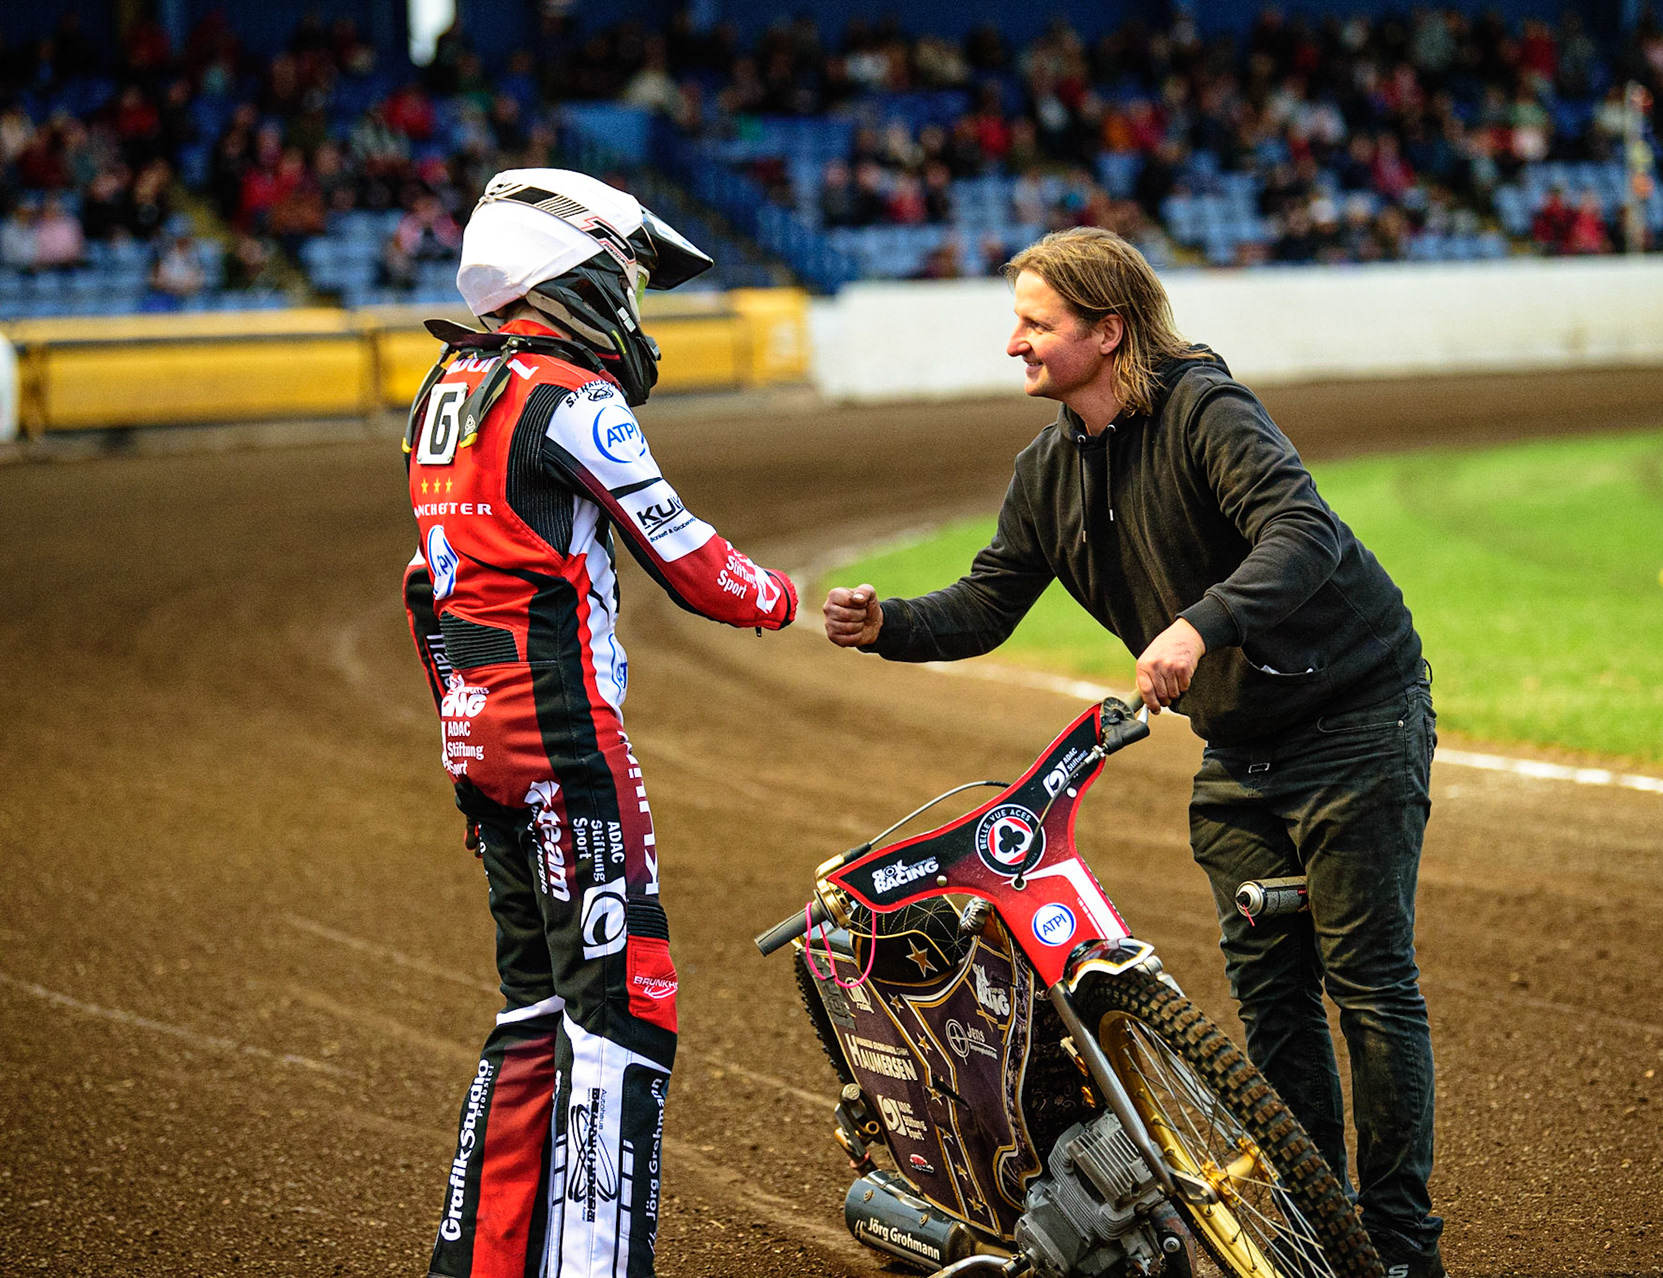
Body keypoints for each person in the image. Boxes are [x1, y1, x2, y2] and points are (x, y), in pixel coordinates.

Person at [822, 226, 1444, 1278]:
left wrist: (1201, 624)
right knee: (1271, 1001)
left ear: (1107, 332)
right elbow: (986, 601)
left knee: (1369, 984)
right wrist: (890, 624)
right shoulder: (1047, 470)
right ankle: (1314, 1235)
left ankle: (1399, 1248)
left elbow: (1304, 531)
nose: (1012, 342)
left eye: (1035, 322)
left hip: (1355, 717)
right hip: (1242, 748)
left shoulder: (1205, 408)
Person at [402, 168, 798, 1278]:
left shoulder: (449, 386)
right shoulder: (571, 397)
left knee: (534, 1010)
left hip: (479, 732)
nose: (634, 304)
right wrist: (784, 596)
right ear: (573, 269)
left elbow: (425, 587)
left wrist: (466, 729)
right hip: (563, 735)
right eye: (627, 277)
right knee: (626, 1012)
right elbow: (691, 563)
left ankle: (474, 1265)